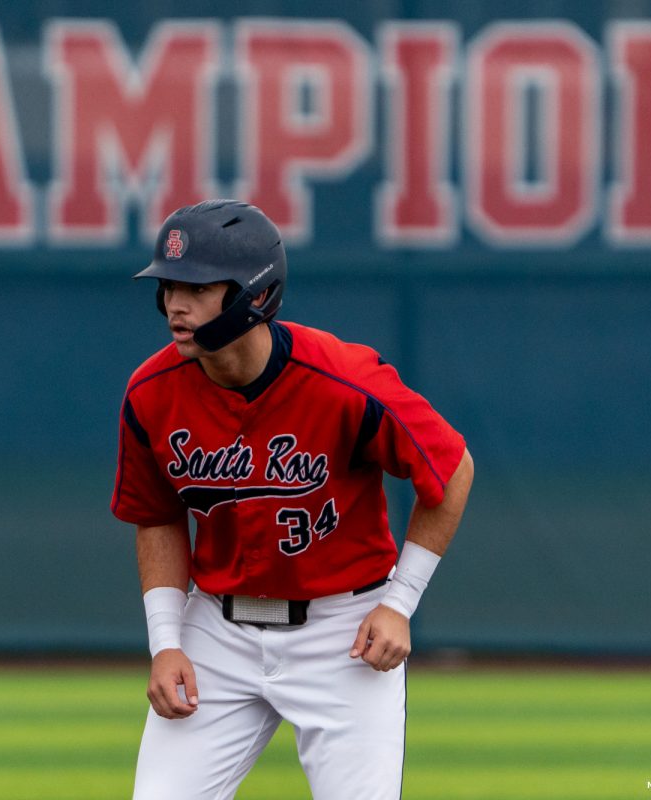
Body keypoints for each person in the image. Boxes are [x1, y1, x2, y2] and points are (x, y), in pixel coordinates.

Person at [111, 199, 474, 800]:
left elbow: (451, 467)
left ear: (254, 293)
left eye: (197, 286)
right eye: (169, 285)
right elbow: (157, 517)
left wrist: (401, 601)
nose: (175, 303)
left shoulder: (343, 380)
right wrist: (166, 642)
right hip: (217, 631)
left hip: (342, 634)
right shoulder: (151, 392)